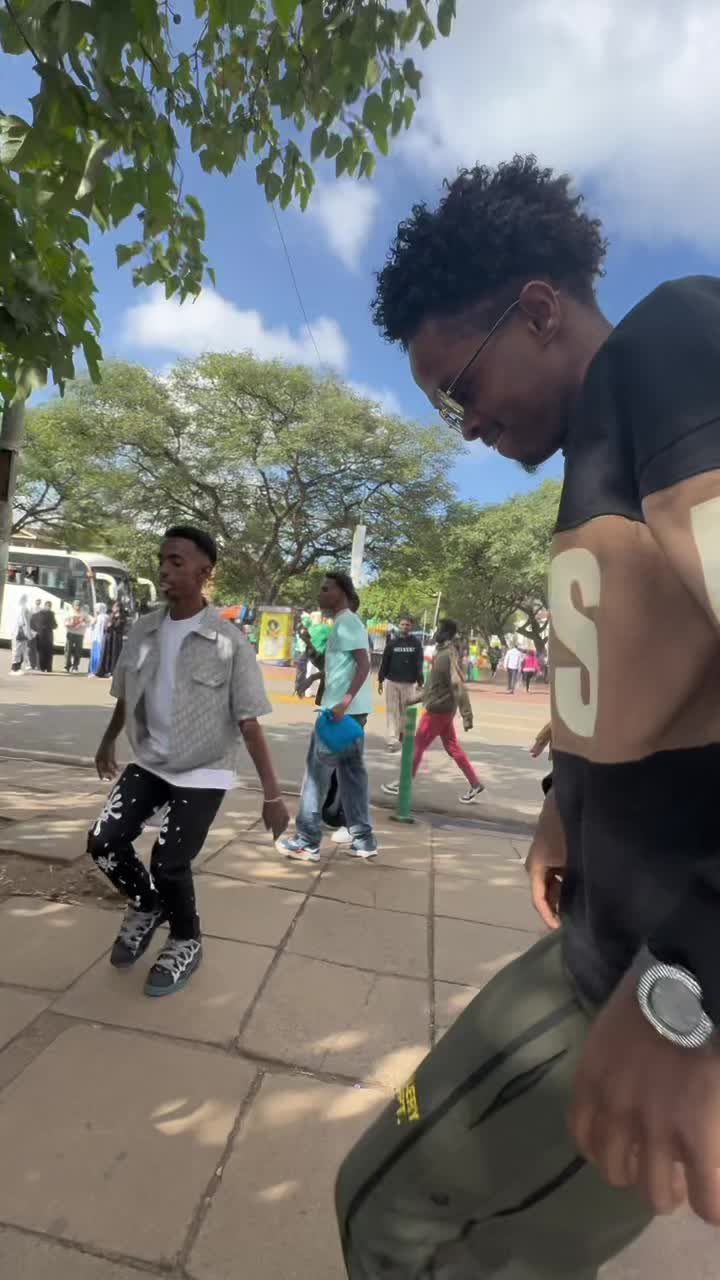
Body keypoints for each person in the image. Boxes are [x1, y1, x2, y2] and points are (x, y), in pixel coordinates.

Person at [336, 156, 720, 1274]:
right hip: (608, 942)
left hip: (662, 972)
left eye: (461, 386)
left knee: (388, 1216)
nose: (464, 425)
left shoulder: (673, 344)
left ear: (541, 309)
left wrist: (691, 987)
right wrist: (566, 801)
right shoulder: (602, 441)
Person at [88, 525, 289, 997]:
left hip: (204, 768)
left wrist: (273, 795)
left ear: (204, 572)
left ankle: (186, 939)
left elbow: (249, 722)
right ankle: (146, 904)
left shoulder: (228, 641)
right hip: (151, 760)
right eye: (162, 559)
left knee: (169, 862)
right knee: (103, 842)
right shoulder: (143, 630)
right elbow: (126, 695)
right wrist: (108, 741)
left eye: (176, 561)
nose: (164, 569)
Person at [277, 571, 377, 863]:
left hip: (339, 715)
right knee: (352, 780)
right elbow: (343, 667)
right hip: (350, 715)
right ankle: (364, 840)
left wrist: (343, 702)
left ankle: (307, 841)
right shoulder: (343, 624)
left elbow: (363, 664)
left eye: (325, 589)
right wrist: (314, 678)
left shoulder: (348, 623)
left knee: (315, 779)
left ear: (341, 592)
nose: (320, 594)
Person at [381, 619, 484, 806]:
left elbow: (457, 685)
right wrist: (414, 699)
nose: (436, 633)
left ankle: (403, 783)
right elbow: (435, 686)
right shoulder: (443, 653)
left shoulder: (446, 656)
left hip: (438, 710)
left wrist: (467, 715)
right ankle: (475, 784)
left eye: (439, 630)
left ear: (447, 634)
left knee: (417, 746)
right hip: (443, 708)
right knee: (452, 747)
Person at [378, 618, 424, 752]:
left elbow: (419, 664)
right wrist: (380, 680)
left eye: (407, 625)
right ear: (399, 626)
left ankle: (403, 735)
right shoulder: (392, 643)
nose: (404, 627)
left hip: (409, 684)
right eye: (402, 624)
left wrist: (420, 682)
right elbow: (385, 662)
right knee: (392, 712)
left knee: (406, 712)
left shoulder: (416, 644)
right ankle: (392, 740)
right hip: (392, 682)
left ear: (411, 627)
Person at [97, 601, 127, 678]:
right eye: (113, 607)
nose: (113, 608)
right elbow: (107, 626)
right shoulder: (111, 615)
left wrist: (112, 625)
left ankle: (113, 672)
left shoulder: (122, 616)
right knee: (106, 653)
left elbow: (119, 626)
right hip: (109, 637)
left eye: (115, 607)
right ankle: (104, 671)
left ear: (119, 608)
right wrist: (109, 626)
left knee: (114, 655)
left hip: (116, 638)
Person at [31, 600, 57, 672]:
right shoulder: (49, 614)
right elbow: (54, 625)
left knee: (43, 652)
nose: (48, 607)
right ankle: (46, 667)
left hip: (43, 635)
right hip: (46, 635)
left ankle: (44, 667)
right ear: (45, 606)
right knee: (45, 652)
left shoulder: (39, 614)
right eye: (48, 606)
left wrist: (36, 630)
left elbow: (55, 625)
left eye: (49, 606)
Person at [64, 599, 89, 673]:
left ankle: (75, 667)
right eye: (76, 605)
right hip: (70, 633)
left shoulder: (84, 614)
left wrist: (83, 624)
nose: (78, 607)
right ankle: (67, 666)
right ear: (73, 606)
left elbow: (88, 623)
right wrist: (68, 624)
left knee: (78, 651)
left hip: (80, 634)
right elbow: (64, 621)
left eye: (79, 605)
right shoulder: (69, 613)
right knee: (68, 650)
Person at [9, 594, 32, 673]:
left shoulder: (18, 607)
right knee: (18, 650)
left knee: (20, 650)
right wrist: (26, 630)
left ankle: (17, 668)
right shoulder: (22, 608)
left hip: (18, 631)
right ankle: (14, 669)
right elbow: (22, 621)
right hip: (19, 631)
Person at [88, 603, 108, 676]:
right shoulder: (96, 617)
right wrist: (94, 621)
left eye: (97, 608)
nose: (95, 610)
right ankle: (93, 670)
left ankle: (98, 671)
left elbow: (105, 628)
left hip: (101, 639)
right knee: (94, 655)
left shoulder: (105, 617)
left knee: (99, 655)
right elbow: (91, 626)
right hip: (95, 639)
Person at [27, 596, 42, 670]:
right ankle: (30, 664)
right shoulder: (31, 609)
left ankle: (37, 665)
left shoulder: (41, 610)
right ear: (35, 601)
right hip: (31, 631)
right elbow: (28, 620)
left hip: (38, 632)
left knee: (37, 649)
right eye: (37, 600)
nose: (38, 602)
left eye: (39, 600)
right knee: (30, 648)